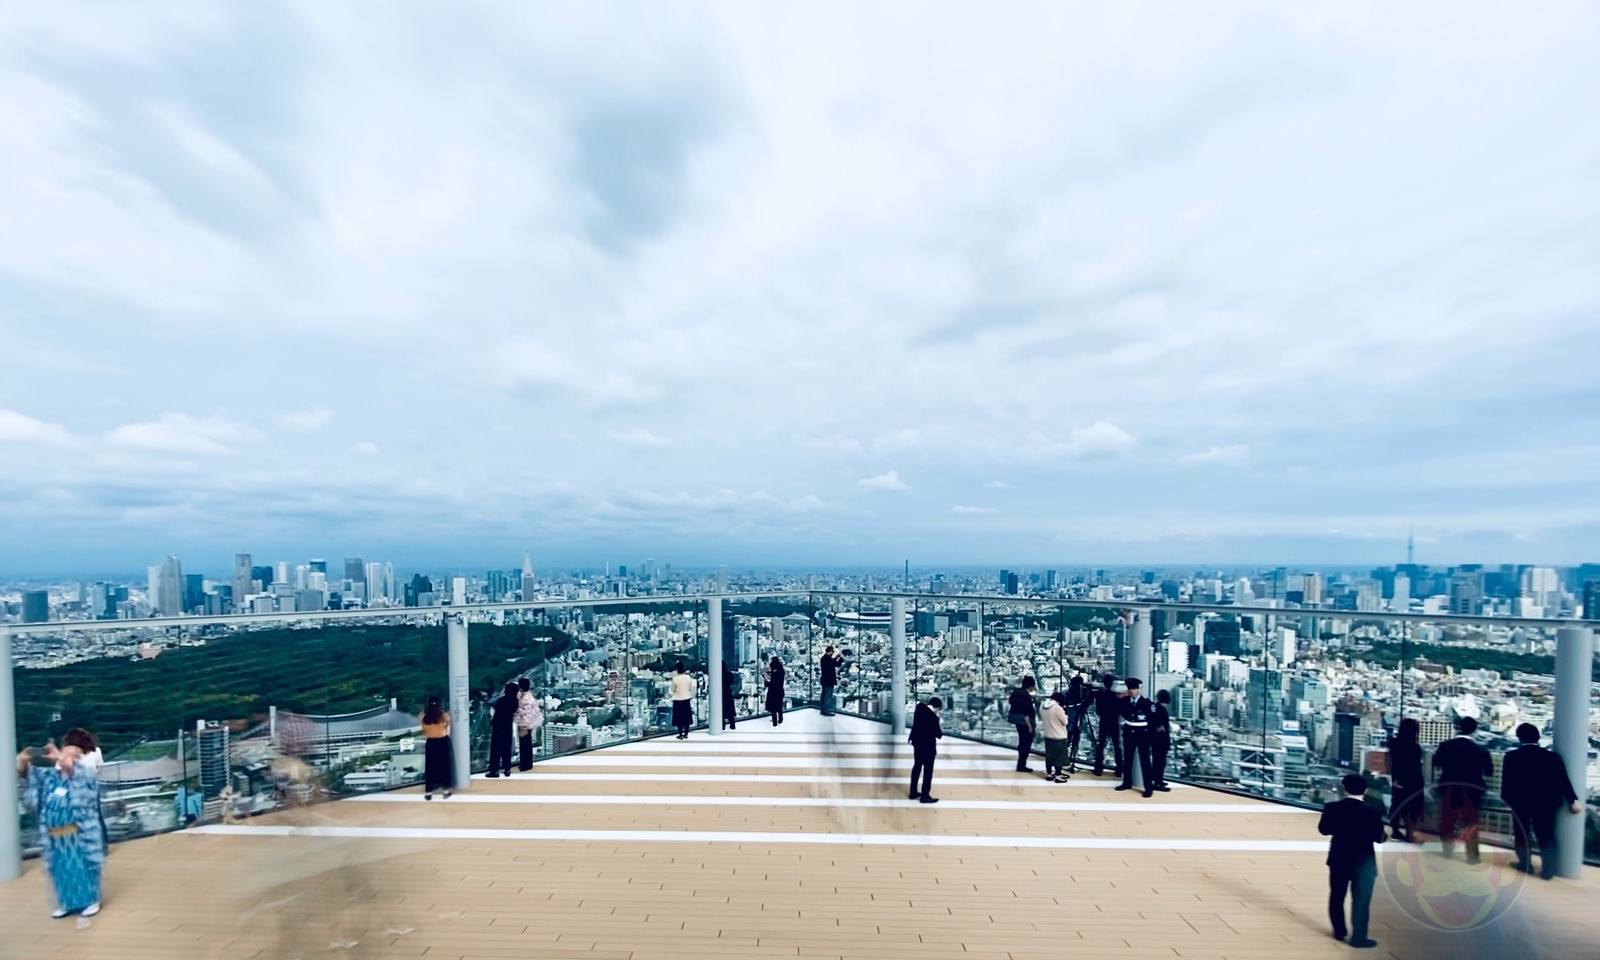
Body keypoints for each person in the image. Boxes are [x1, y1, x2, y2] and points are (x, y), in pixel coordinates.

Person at [16, 742, 105, 918]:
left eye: (70, 753)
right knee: (60, 869)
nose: (65, 755)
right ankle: (66, 903)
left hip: (79, 834)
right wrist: (24, 764)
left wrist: (62, 758)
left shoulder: (85, 773)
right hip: (54, 836)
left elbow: (82, 782)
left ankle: (90, 901)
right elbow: (31, 777)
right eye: (64, 752)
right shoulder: (50, 776)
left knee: (82, 867)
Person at [1501, 722, 1582, 879]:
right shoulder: (1552, 757)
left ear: (1519, 737)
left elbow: (1507, 781)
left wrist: (1506, 799)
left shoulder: (1511, 757)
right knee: (1546, 835)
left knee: (1522, 834)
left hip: (1520, 802)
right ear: (1538, 737)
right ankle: (1548, 870)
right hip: (1547, 803)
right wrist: (1573, 800)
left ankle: (1525, 865)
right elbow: (1563, 780)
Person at [1319, 773, 1385, 948]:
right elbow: (1379, 838)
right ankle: (1359, 938)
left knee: (1337, 895)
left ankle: (1339, 932)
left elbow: (1324, 830)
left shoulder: (1332, 808)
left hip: (1339, 858)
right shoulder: (1372, 812)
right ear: (1366, 790)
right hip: (1364, 861)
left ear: (1344, 789)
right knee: (1361, 900)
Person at [1433, 716, 1492, 863]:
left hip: (1449, 786)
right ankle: (1472, 856)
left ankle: (1447, 852)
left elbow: (1437, 763)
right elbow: (1489, 772)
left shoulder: (1445, 745)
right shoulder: (1481, 750)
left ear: (1458, 727)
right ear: (1474, 730)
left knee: (1447, 820)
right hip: (1473, 790)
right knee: (1471, 822)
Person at [62, 729, 108, 846]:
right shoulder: (96, 751)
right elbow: (100, 768)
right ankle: (102, 845)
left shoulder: (70, 754)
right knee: (97, 816)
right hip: (92, 787)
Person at [1116, 677, 1157, 797]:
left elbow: (1153, 721)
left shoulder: (1147, 704)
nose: (1132, 691)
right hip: (1129, 732)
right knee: (1127, 759)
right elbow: (1122, 713)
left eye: (1134, 689)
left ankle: (1148, 787)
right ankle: (1127, 782)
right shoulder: (1124, 701)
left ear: (1138, 689)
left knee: (1145, 761)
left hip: (1143, 734)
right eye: (1130, 689)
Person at [1386, 718, 1424, 843]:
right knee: (1413, 806)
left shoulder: (1393, 743)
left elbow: (1390, 762)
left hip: (1398, 779)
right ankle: (1410, 834)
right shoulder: (1415, 747)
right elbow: (1415, 766)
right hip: (1414, 780)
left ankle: (1396, 831)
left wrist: (1394, 778)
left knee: (1397, 804)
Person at [908, 696, 944, 804]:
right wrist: (937, 719)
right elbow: (939, 734)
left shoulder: (919, 709)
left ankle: (913, 792)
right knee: (928, 771)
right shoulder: (933, 718)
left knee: (917, 767)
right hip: (928, 747)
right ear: (937, 707)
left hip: (917, 743)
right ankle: (925, 795)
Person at [1091, 674, 1124, 778]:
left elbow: (1098, 711)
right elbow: (1121, 710)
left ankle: (1098, 768)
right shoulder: (1117, 695)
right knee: (1117, 747)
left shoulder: (1100, 695)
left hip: (1104, 721)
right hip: (1114, 722)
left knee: (1101, 745)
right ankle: (1119, 769)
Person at [421, 695, 454, 799]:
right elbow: (446, 725)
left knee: (430, 767)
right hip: (442, 742)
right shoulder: (443, 715)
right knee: (444, 767)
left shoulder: (423, 716)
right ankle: (445, 790)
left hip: (430, 742)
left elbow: (423, 729)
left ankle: (428, 792)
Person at [486, 681, 518, 778]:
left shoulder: (501, 700)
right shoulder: (515, 701)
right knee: (506, 749)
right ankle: (507, 769)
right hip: (508, 726)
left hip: (499, 727)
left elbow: (493, 705)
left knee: (496, 750)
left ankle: (494, 770)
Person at [1038, 691, 1071, 783]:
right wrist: (1065, 713)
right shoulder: (1058, 708)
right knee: (1059, 758)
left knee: (1049, 757)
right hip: (1059, 737)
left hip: (1048, 735)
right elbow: (1065, 722)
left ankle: (1049, 774)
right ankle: (1058, 776)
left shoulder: (1042, 706)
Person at [1007, 677, 1038, 773]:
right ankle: (1021, 765)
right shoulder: (1025, 696)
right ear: (1031, 685)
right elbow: (1025, 713)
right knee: (1026, 744)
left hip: (1017, 721)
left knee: (1022, 743)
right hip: (1024, 722)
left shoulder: (1016, 692)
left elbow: (1012, 703)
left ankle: (1021, 764)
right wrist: (1030, 726)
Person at [515, 678, 543, 772]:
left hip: (526, 725)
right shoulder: (525, 695)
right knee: (525, 744)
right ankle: (526, 763)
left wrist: (524, 727)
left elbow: (526, 714)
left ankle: (526, 764)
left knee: (525, 745)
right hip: (526, 724)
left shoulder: (526, 699)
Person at [1064, 674, 1087, 773]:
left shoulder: (1067, 693)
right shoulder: (1068, 694)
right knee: (1069, 739)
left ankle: (1068, 759)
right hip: (1071, 720)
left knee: (1070, 739)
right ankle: (1066, 759)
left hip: (1071, 720)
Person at [1150, 690, 1173, 792]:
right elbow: (1162, 726)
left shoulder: (1155, 708)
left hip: (1156, 739)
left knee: (1158, 761)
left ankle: (1158, 780)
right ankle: (1158, 782)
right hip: (1160, 740)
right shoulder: (1161, 710)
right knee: (1160, 762)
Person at [670, 661, 695, 738]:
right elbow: (690, 688)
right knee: (686, 717)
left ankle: (680, 734)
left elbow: (672, 689)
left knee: (678, 717)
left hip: (677, 699)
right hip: (686, 699)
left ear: (676, 669)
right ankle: (686, 733)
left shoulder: (675, 679)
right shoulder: (688, 678)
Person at [819, 646, 843, 716]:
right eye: (832, 652)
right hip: (829, 680)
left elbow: (832, 662)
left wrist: (836, 657)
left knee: (824, 695)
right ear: (830, 651)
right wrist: (840, 657)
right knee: (828, 695)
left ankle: (823, 709)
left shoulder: (823, 658)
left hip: (824, 679)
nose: (833, 653)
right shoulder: (828, 659)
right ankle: (827, 710)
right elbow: (836, 664)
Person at [765, 656, 786, 726]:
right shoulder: (781, 670)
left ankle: (775, 722)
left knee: (773, 707)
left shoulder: (775, 672)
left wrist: (767, 682)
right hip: (780, 691)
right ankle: (780, 720)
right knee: (779, 706)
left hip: (773, 691)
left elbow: (773, 682)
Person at [721, 663, 739, 730]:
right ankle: (732, 724)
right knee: (730, 709)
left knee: (721, 709)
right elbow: (732, 682)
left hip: (720, 692)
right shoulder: (729, 674)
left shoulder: (718, 674)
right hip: (728, 692)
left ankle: (722, 725)